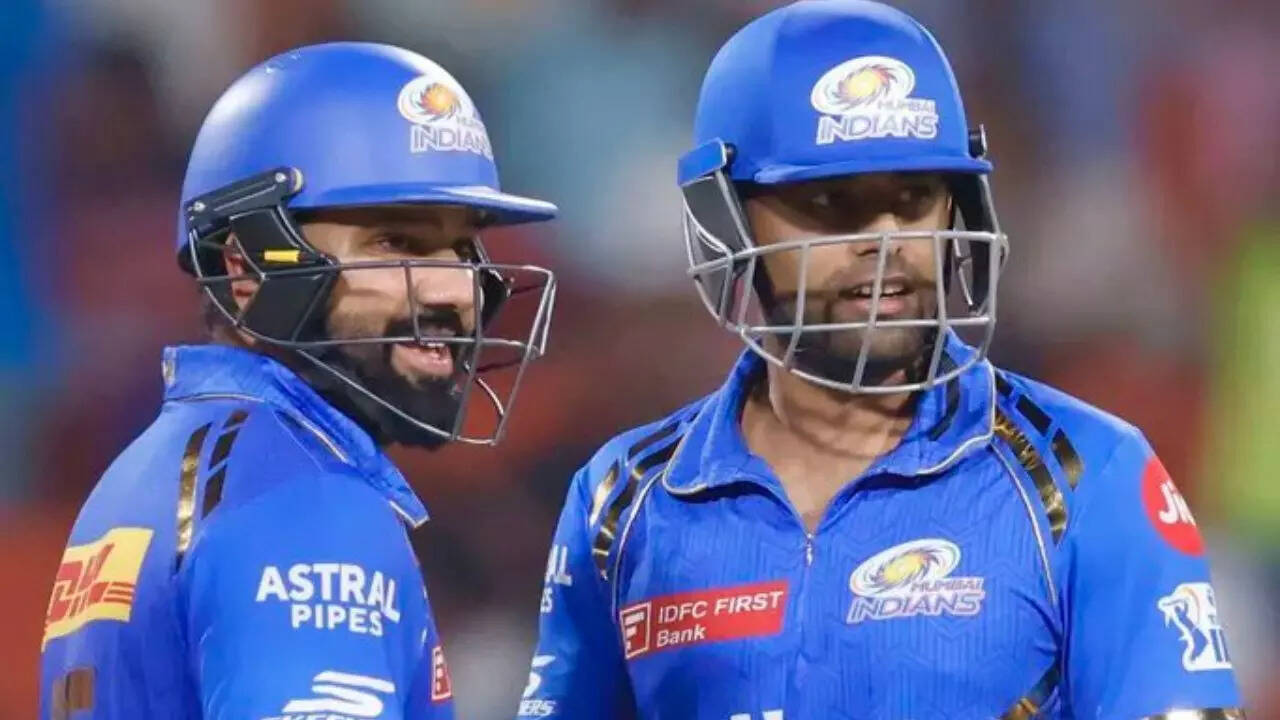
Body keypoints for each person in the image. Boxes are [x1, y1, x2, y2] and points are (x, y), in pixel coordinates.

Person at [518, 2, 1245, 718]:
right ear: (728, 220)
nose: (889, 240)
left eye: (915, 196)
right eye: (832, 202)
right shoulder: (624, 500)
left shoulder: (1087, 475)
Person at [39, 42, 558, 719]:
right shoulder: (306, 499)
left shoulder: (150, 475)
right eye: (395, 243)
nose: (454, 290)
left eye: (464, 248)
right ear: (248, 268)